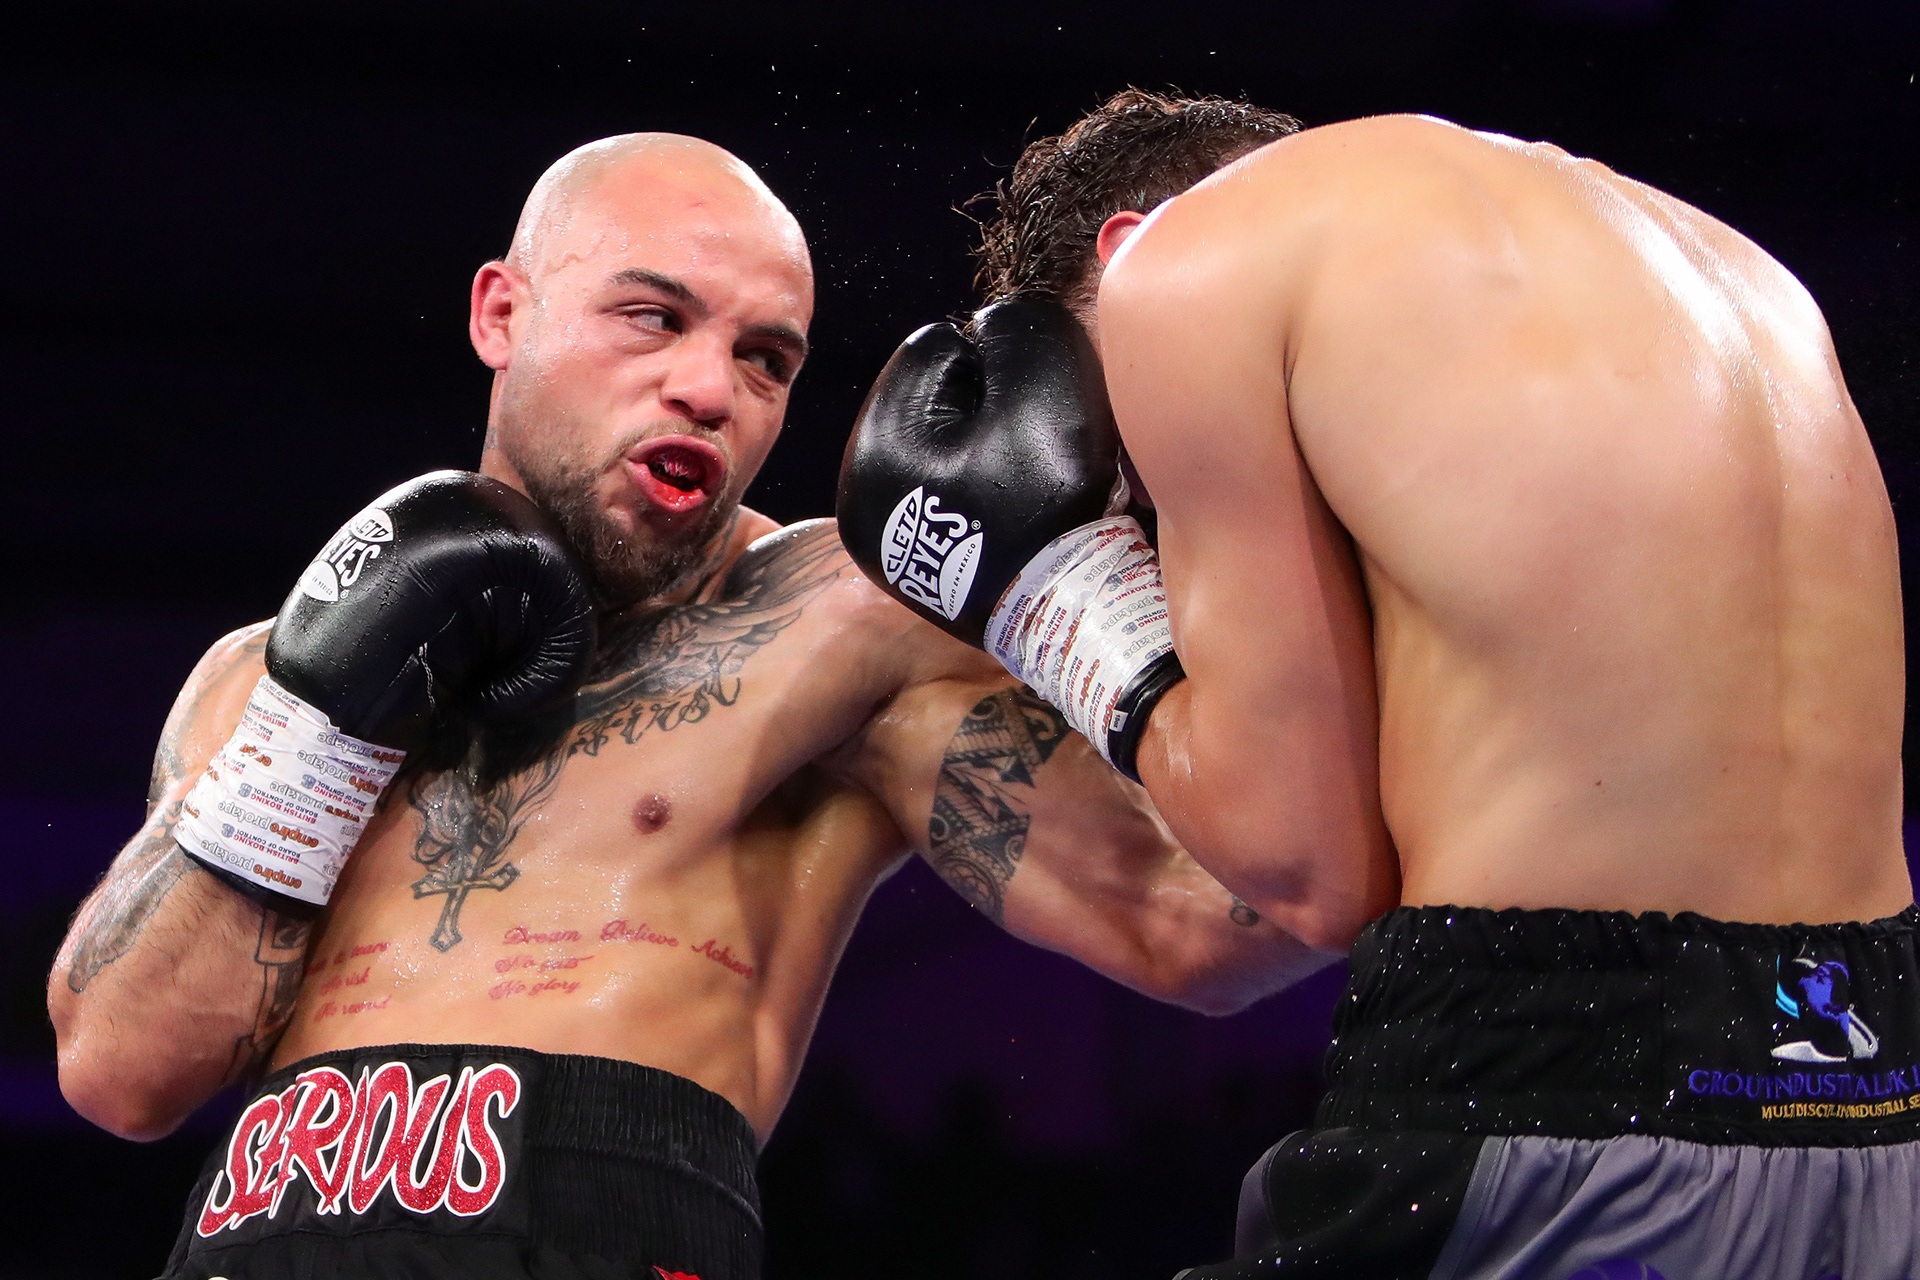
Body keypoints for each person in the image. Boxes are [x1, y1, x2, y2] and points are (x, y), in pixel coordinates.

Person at [47, 132, 1324, 1280]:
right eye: (654, 318)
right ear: (503, 311)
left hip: (609, 1224)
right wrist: (312, 725)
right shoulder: (257, 673)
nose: (712, 389)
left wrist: (1088, 593)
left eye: (765, 359)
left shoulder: (846, 617)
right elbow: (119, 1071)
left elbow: (1206, 920)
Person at [837, 90, 1911, 1278]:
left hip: (1548, 1108)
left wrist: (1050, 592)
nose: (1140, 510)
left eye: (1120, 470)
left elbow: (1311, 871)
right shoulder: (1730, 269)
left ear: (1122, 249)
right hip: (1873, 1114)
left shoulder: (1186, 267)